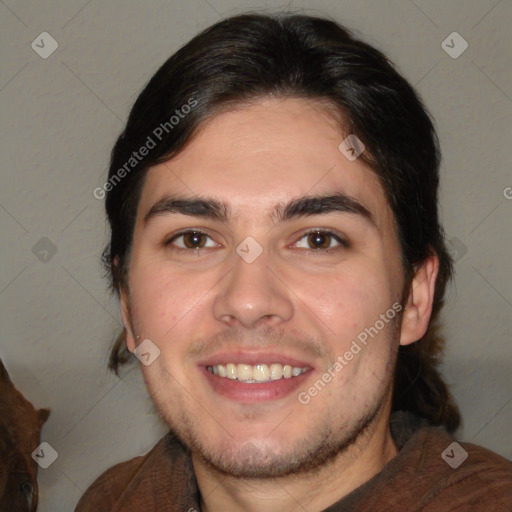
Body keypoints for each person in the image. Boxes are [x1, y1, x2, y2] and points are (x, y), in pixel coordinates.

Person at [76, 12, 512, 512]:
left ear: (414, 296)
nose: (247, 301)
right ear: (128, 302)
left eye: (319, 240)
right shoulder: (116, 499)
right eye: (194, 239)